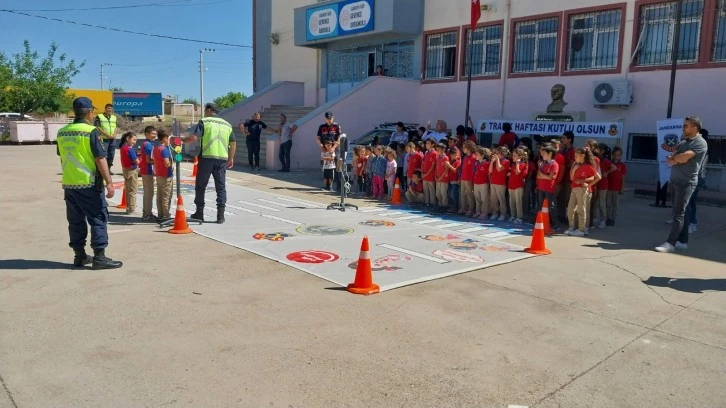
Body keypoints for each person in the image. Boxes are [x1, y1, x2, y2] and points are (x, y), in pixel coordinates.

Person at [57, 97, 122, 269]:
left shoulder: (62, 132)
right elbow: (100, 158)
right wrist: (109, 182)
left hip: (70, 183)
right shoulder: (91, 131)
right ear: (90, 113)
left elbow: (62, 155)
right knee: (98, 218)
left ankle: (79, 256)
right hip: (89, 183)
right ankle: (99, 257)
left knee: (75, 220)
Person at [655, 117, 708, 253]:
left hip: (686, 182)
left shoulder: (700, 142)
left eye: (686, 126)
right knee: (680, 213)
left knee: (678, 214)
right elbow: (671, 158)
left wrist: (676, 159)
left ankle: (670, 243)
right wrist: (676, 158)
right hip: (675, 181)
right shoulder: (684, 141)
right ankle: (682, 242)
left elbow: (683, 157)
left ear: (694, 127)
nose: (683, 128)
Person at [184, 103, 236, 224]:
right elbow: (233, 143)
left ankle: (199, 213)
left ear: (208, 110)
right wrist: (230, 158)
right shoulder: (227, 125)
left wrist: (180, 140)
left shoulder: (204, 121)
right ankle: (220, 216)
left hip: (207, 157)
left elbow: (193, 138)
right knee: (221, 187)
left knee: (201, 186)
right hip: (222, 159)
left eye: (204, 110)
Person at [566, 148, 600, 237]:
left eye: (576, 156)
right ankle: (571, 227)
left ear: (583, 156)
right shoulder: (576, 164)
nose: (575, 157)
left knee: (581, 209)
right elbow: (571, 178)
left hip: (582, 189)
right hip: (574, 188)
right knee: (570, 209)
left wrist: (588, 185)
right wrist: (574, 169)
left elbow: (598, 177)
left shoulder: (588, 166)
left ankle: (581, 229)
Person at [686, 129, 709, 233]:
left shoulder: (702, 148)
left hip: (697, 177)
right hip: (691, 176)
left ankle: (692, 223)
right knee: (686, 201)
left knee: (691, 201)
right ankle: (682, 220)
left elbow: (699, 166)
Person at [537, 144, 560, 230]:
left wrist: (544, 176)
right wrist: (545, 176)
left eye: (544, 153)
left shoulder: (554, 164)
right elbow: (538, 175)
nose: (542, 154)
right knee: (540, 205)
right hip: (541, 187)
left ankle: (555, 223)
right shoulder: (543, 163)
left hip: (549, 189)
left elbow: (551, 177)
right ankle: (541, 221)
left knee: (551, 206)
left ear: (550, 154)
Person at [153, 130, 173, 221]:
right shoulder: (164, 150)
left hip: (159, 174)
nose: (169, 141)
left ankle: (160, 214)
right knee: (166, 196)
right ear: (164, 138)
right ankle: (166, 215)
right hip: (166, 175)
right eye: (168, 139)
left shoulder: (156, 149)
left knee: (159, 196)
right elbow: (166, 163)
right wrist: (171, 164)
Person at [139, 126, 157, 221]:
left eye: (155, 133)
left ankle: (146, 212)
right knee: (149, 193)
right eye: (152, 133)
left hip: (145, 170)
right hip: (147, 170)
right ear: (146, 134)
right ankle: (147, 214)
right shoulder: (148, 145)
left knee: (147, 192)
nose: (155, 135)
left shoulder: (146, 143)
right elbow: (148, 159)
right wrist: (158, 161)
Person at [119, 132, 140, 215]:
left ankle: (128, 207)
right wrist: (140, 159)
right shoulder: (129, 149)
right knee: (132, 190)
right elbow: (136, 161)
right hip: (132, 170)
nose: (134, 142)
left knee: (128, 189)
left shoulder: (123, 147)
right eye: (134, 140)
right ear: (128, 138)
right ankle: (132, 208)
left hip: (125, 170)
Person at [95, 103, 118, 174]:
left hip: (112, 139)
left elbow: (116, 127)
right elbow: (98, 127)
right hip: (104, 139)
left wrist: (114, 135)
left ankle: (108, 169)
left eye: (111, 109)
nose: (110, 110)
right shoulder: (99, 116)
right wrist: (107, 135)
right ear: (105, 109)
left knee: (111, 154)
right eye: (108, 108)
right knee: (103, 154)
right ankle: (101, 169)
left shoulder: (114, 117)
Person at [606, 146, 627, 226]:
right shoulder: (609, 163)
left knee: (615, 205)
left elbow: (623, 177)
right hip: (608, 187)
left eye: (618, 155)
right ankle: (607, 218)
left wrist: (622, 187)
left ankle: (613, 219)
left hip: (617, 188)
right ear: (612, 155)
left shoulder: (622, 165)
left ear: (620, 155)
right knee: (608, 204)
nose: (616, 156)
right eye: (614, 154)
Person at [489, 146, 510, 221]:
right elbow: (490, 171)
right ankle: (495, 213)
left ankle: (503, 214)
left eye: (498, 153)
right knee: (493, 199)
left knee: (501, 199)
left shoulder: (506, 161)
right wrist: (492, 161)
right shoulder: (495, 161)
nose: (496, 154)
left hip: (501, 183)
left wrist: (497, 160)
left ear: (502, 153)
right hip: (493, 182)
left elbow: (499, 169)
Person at [508, 148, 528, 224]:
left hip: (518, 186)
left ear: (519, 157)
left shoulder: (523, 164)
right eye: (512, 155)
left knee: (518, 202)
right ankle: (513, 216)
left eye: (514, 156)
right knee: (511, 202)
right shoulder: (513, 164)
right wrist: (509, 173)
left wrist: (517, 163)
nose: (513, 157)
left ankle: (519, 217)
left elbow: (517, 172)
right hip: (511, 185)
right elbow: (512, 173)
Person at [458, 141, 476, 216]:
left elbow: (474, 170)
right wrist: (460, 178)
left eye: (464, 147)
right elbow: (463, 169)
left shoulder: (474, 157)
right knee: (462, 194)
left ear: (469, 148)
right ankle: (463, 208)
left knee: (469, 194)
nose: (463, 149)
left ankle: (471, 209)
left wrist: (472, 180)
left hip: (469, 179)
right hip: (463, 178)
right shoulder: (465, 157)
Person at [472, 146, 491, 219]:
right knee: (477, 198)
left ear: (482, 155)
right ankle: (478, 211)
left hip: (483, 183)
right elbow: (475, 173)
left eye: (477, 154)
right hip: (476, 183)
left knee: (484, 199)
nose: (476, 156)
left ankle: (484, 213)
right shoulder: (476, 163)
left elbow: (488, 175)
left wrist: (489, 184)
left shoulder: (486, 163)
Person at [421, 139, 438, 206]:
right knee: (426, 189)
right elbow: (423, 163)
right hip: (424, 174)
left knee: (431, 190)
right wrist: (422, 172)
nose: (426, 144)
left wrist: (427, 173)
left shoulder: (434, 153)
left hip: (430, 175)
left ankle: (432, 203)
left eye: (428, 143)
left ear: (432, 144)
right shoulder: (426, 152)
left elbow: (433, 165)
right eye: (426, 143)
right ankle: (426, 202)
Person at [434, 143, 450, 211]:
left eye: (439, 149)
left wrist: (441, 177)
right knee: (438, 193)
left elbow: (446, 169)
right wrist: (436, 176)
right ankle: (440, 204)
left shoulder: (445, 157)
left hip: (443, 178)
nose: (437, 151)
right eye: (437, 149)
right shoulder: (438, 157)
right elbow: (436, 168)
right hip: (438, 177)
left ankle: (444, 206)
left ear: (443, 150)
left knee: (443, 193)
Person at [445, 148, 461, 213]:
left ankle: (455, 208)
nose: (456, 156)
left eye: (457, 155)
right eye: (455, 155)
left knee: (454, 195)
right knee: (450, 194)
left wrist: (449, 165)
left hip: (455, 181)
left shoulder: (457, 161)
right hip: (450, 180)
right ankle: (452, 207)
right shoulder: (451, 161)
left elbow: (455, 170)